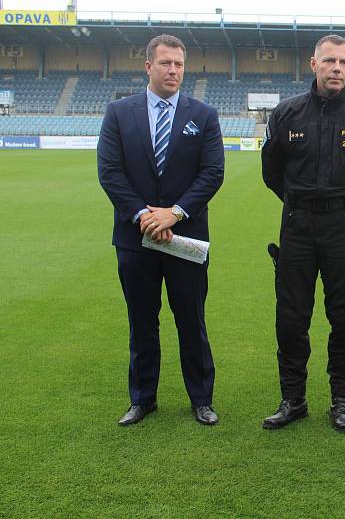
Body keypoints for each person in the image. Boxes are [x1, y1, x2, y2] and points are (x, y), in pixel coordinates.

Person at [261, 34, 345, 433]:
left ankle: (340, 400)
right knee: (291, 316)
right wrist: (301, 204)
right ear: (313, 63)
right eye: (330, 61)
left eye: (344, 63)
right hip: (298, 227)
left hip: (343, 230)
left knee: (344, 316)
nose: (337, 68)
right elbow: (271, 173)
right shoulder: (286, 114)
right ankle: (293, 399)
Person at [98, 34, 224, 426]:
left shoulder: (203, 114)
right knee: (142, 322)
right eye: (166, 63)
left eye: (180, 64)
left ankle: (201, 399)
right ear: (148, 66)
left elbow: (212, 173)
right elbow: (110, 172)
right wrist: (144, 217)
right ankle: (142, 399)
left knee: (192, 321)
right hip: (135, 240)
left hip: (185, 238)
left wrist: (175, 214)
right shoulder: (119, 112)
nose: (173, 71)